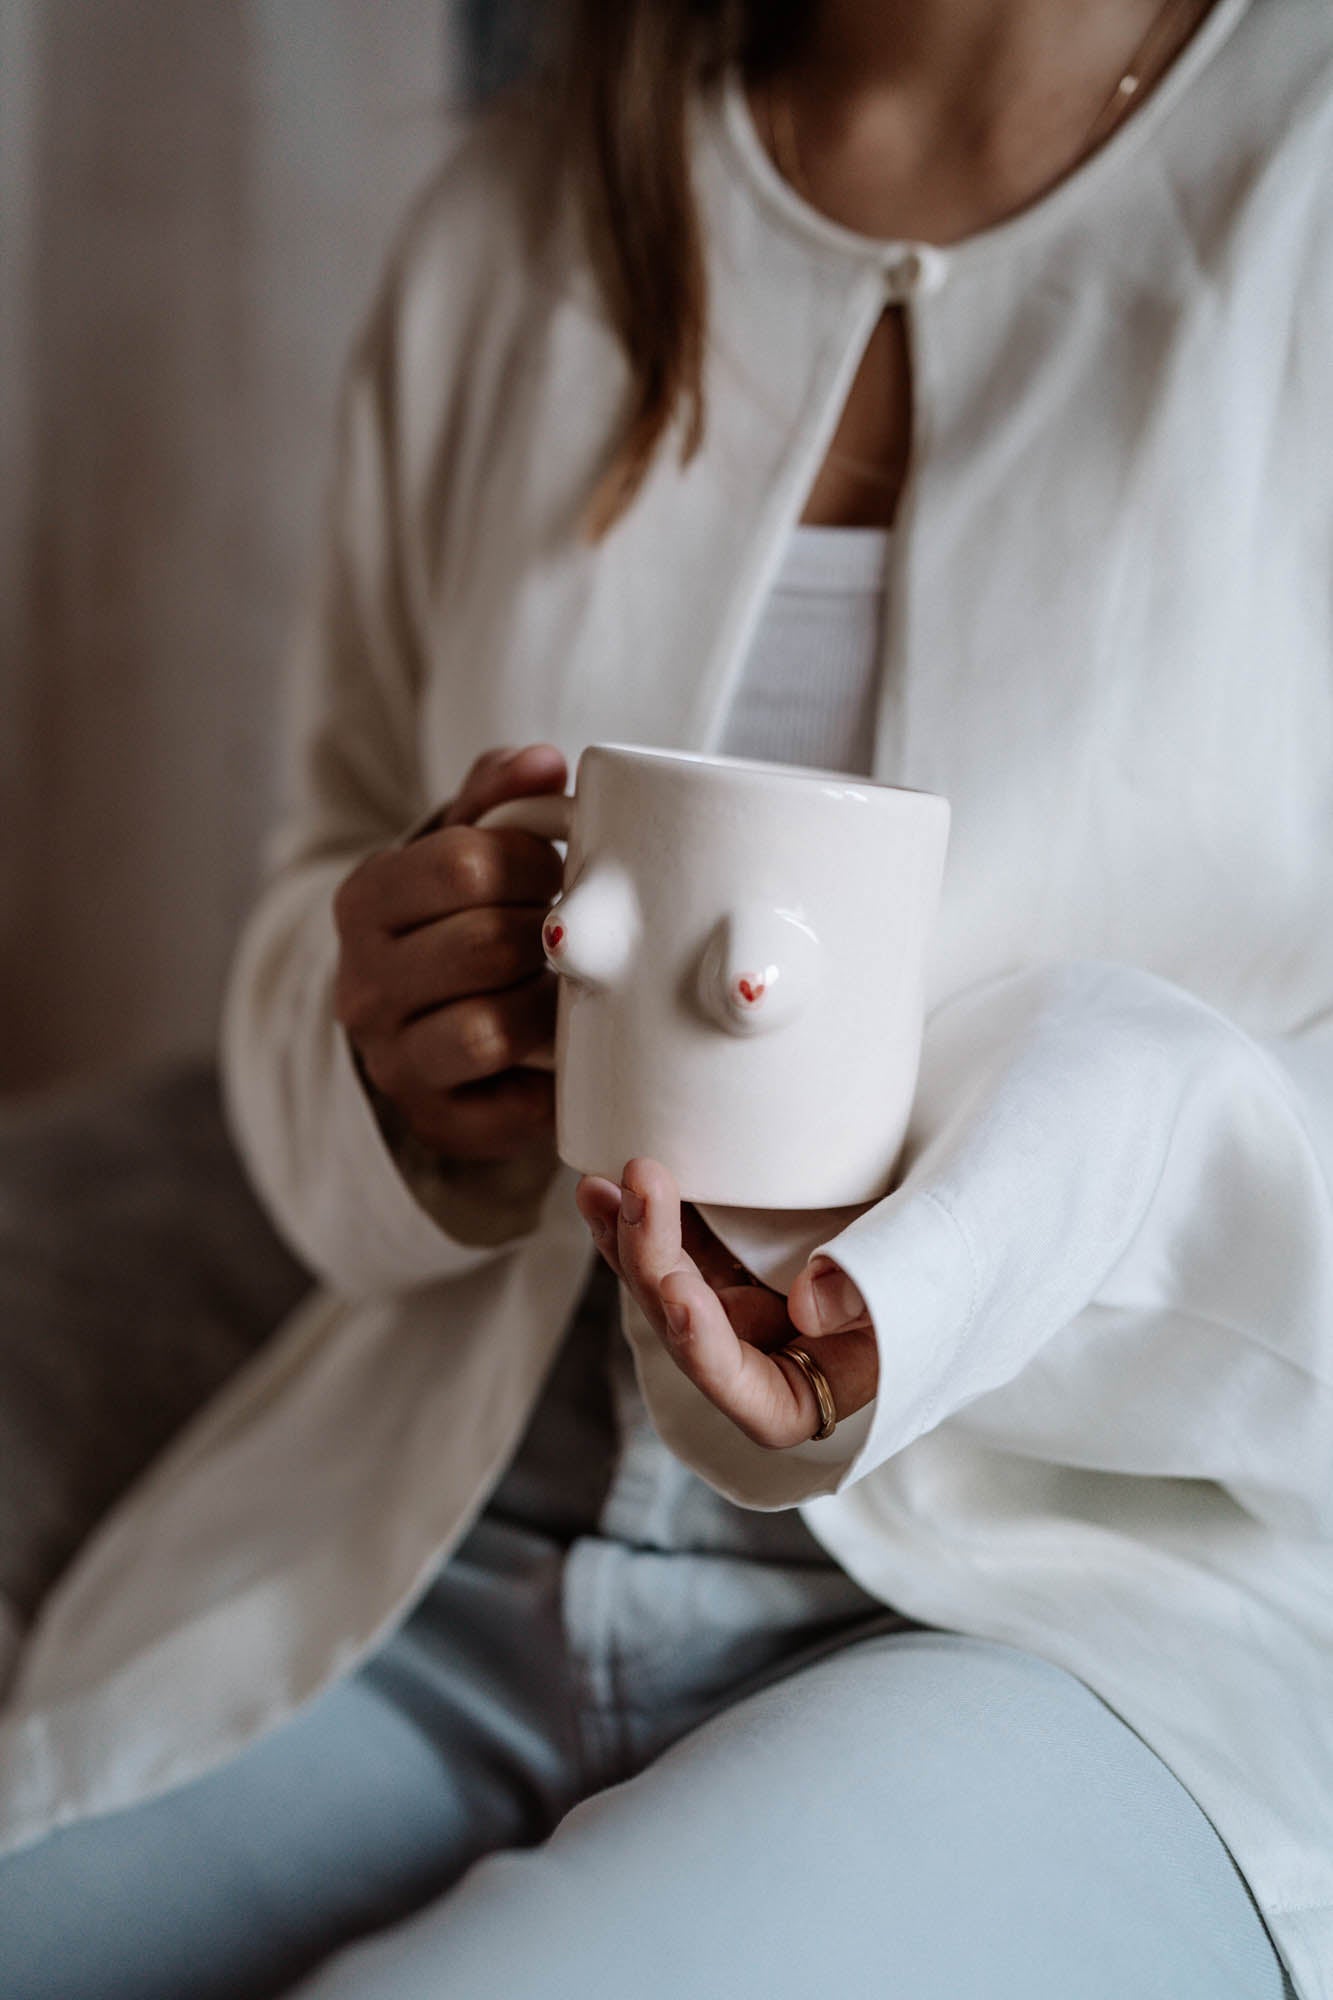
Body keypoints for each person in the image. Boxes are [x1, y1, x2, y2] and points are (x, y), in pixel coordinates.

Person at [0, 0, 1327, 1994]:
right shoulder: (515, 224)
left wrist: (944, 1280)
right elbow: (316, 894)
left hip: (1095, 1611)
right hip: (439, 1523)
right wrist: (394, 1062)